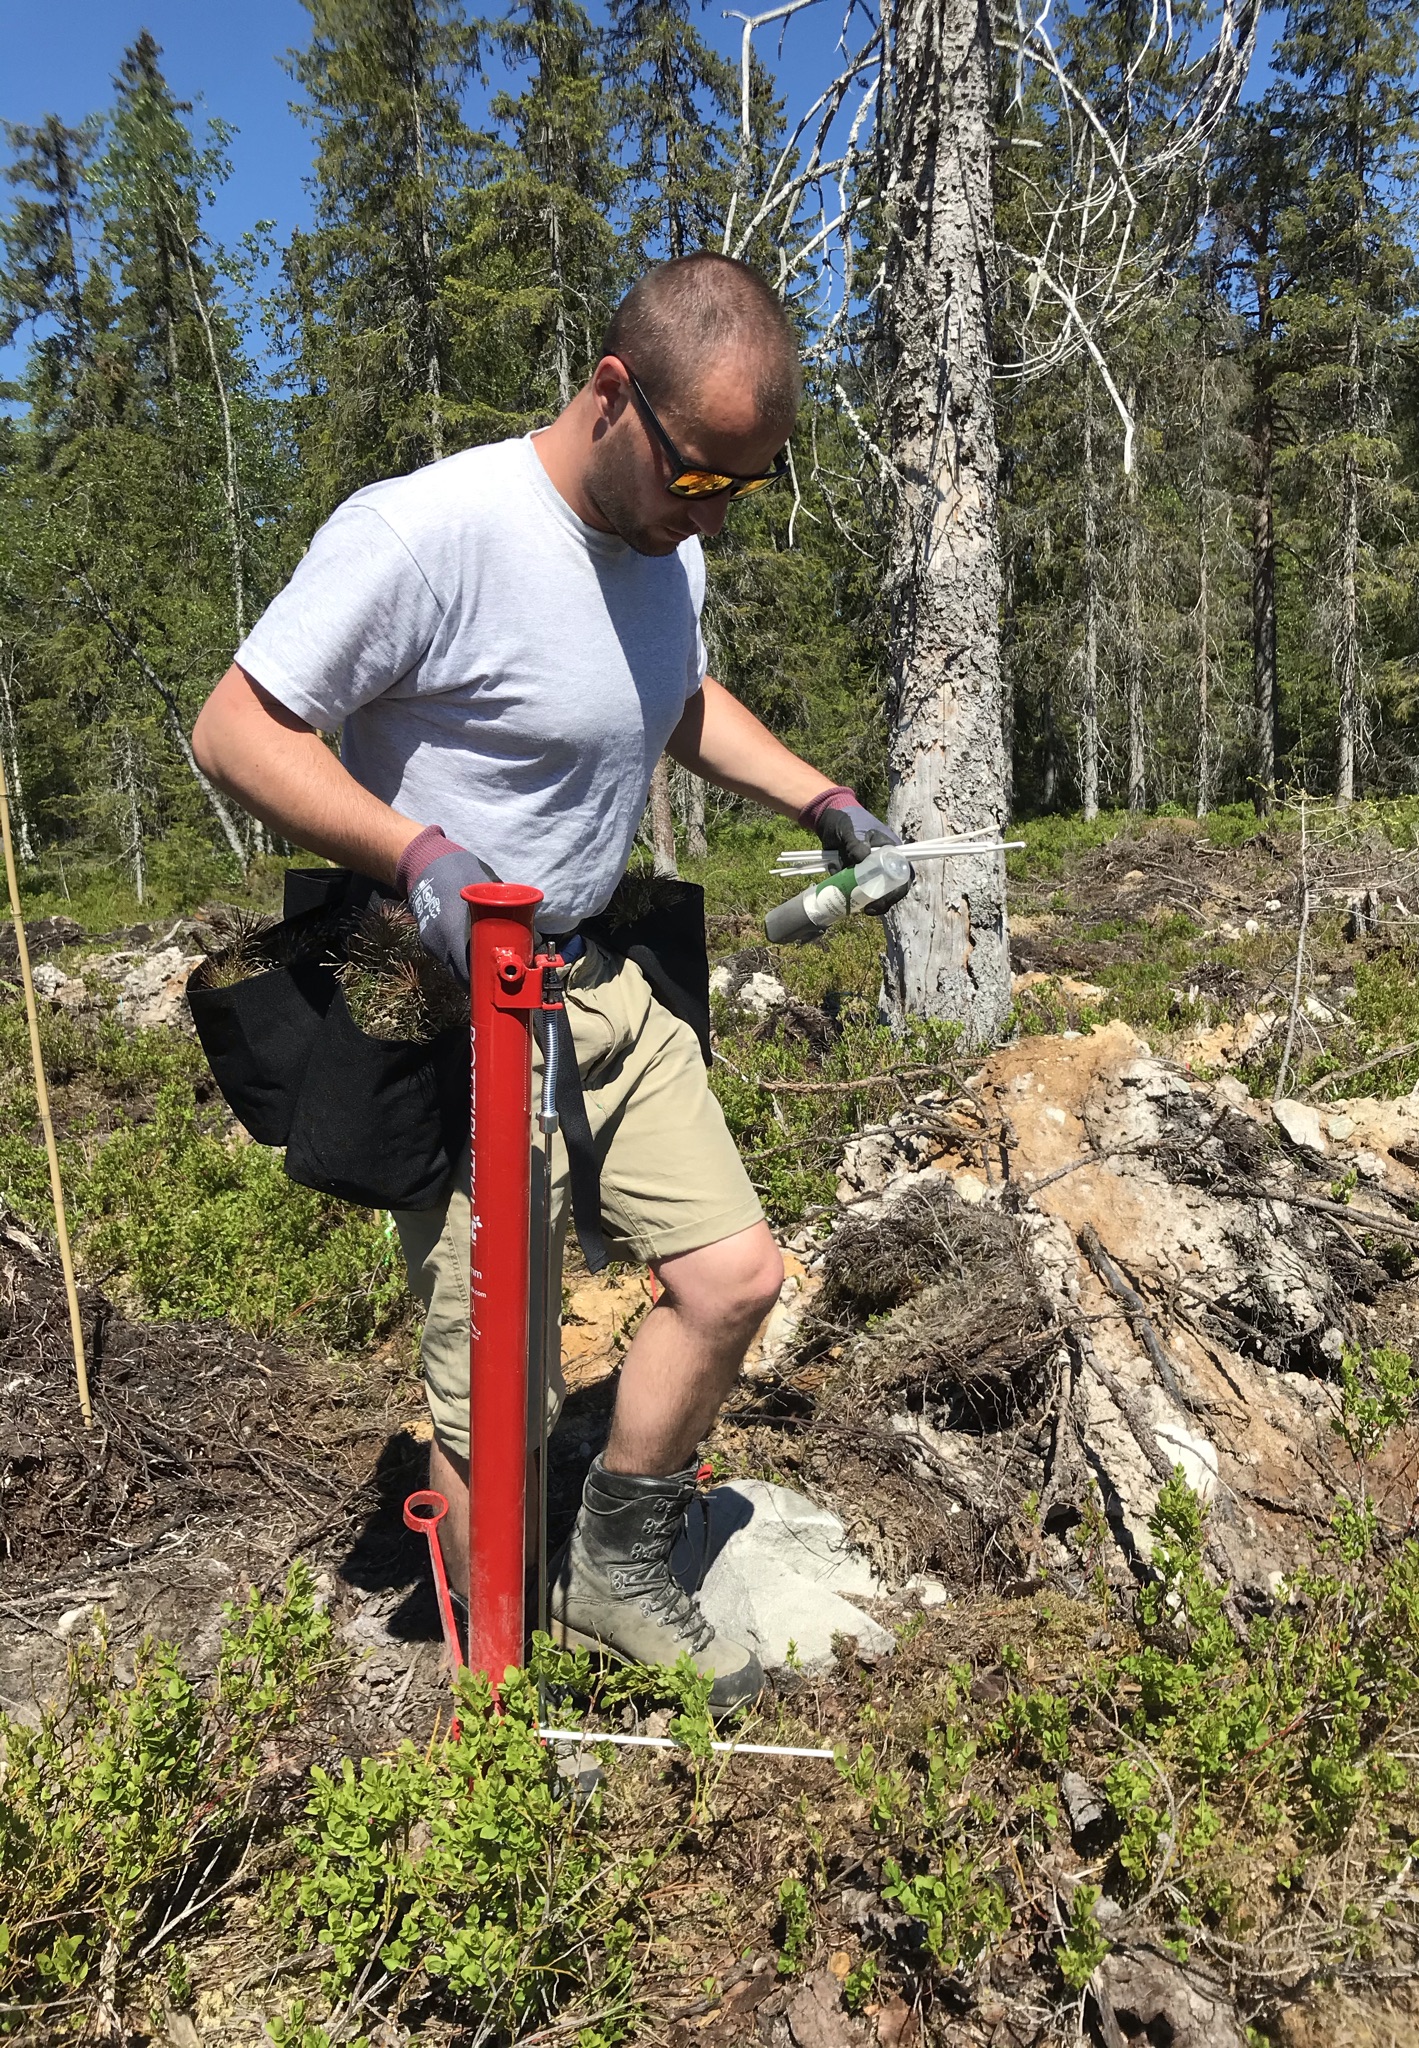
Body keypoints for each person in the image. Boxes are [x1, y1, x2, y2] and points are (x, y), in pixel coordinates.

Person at [191, 252, 906, 1712]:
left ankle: (617, 1561)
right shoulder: (427, 531)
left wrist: (823, 799)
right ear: (611, 393)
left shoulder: (667, 542)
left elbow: (676, 693)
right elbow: (236, 728)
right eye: (702, 476)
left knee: (733, 1276)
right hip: (454, 996)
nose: (711, 513)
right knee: (491, 1397)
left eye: (743, 490)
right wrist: (418, 854)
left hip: (594, 967)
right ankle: (492, 1707)